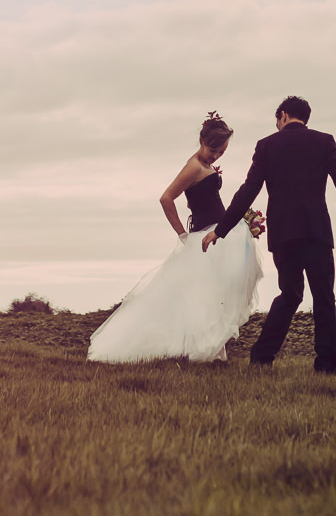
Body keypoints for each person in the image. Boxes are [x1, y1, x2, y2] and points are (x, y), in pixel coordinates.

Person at [202, 95, 336, 374]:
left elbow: (248, 190)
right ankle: (326, 367)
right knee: (323, 297)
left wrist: (220, 230)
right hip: (316, 231)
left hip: (284, 234)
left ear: (283, 115)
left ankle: (261, 357)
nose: (276, 125)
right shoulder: (324, 141)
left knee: (290, 293)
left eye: (277, 120)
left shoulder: (266, 146)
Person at [87, 113, 266, 363]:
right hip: (204, 236)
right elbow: (166, 198)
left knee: (215, 295)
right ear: (202, 141)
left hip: (216, 232)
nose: (215, 156)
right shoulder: (193, 166)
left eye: (221, 152)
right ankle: (207, 352)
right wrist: (182, 233)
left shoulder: (206, 165)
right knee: (205, 295)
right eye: (213, 150)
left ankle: (214, 352)